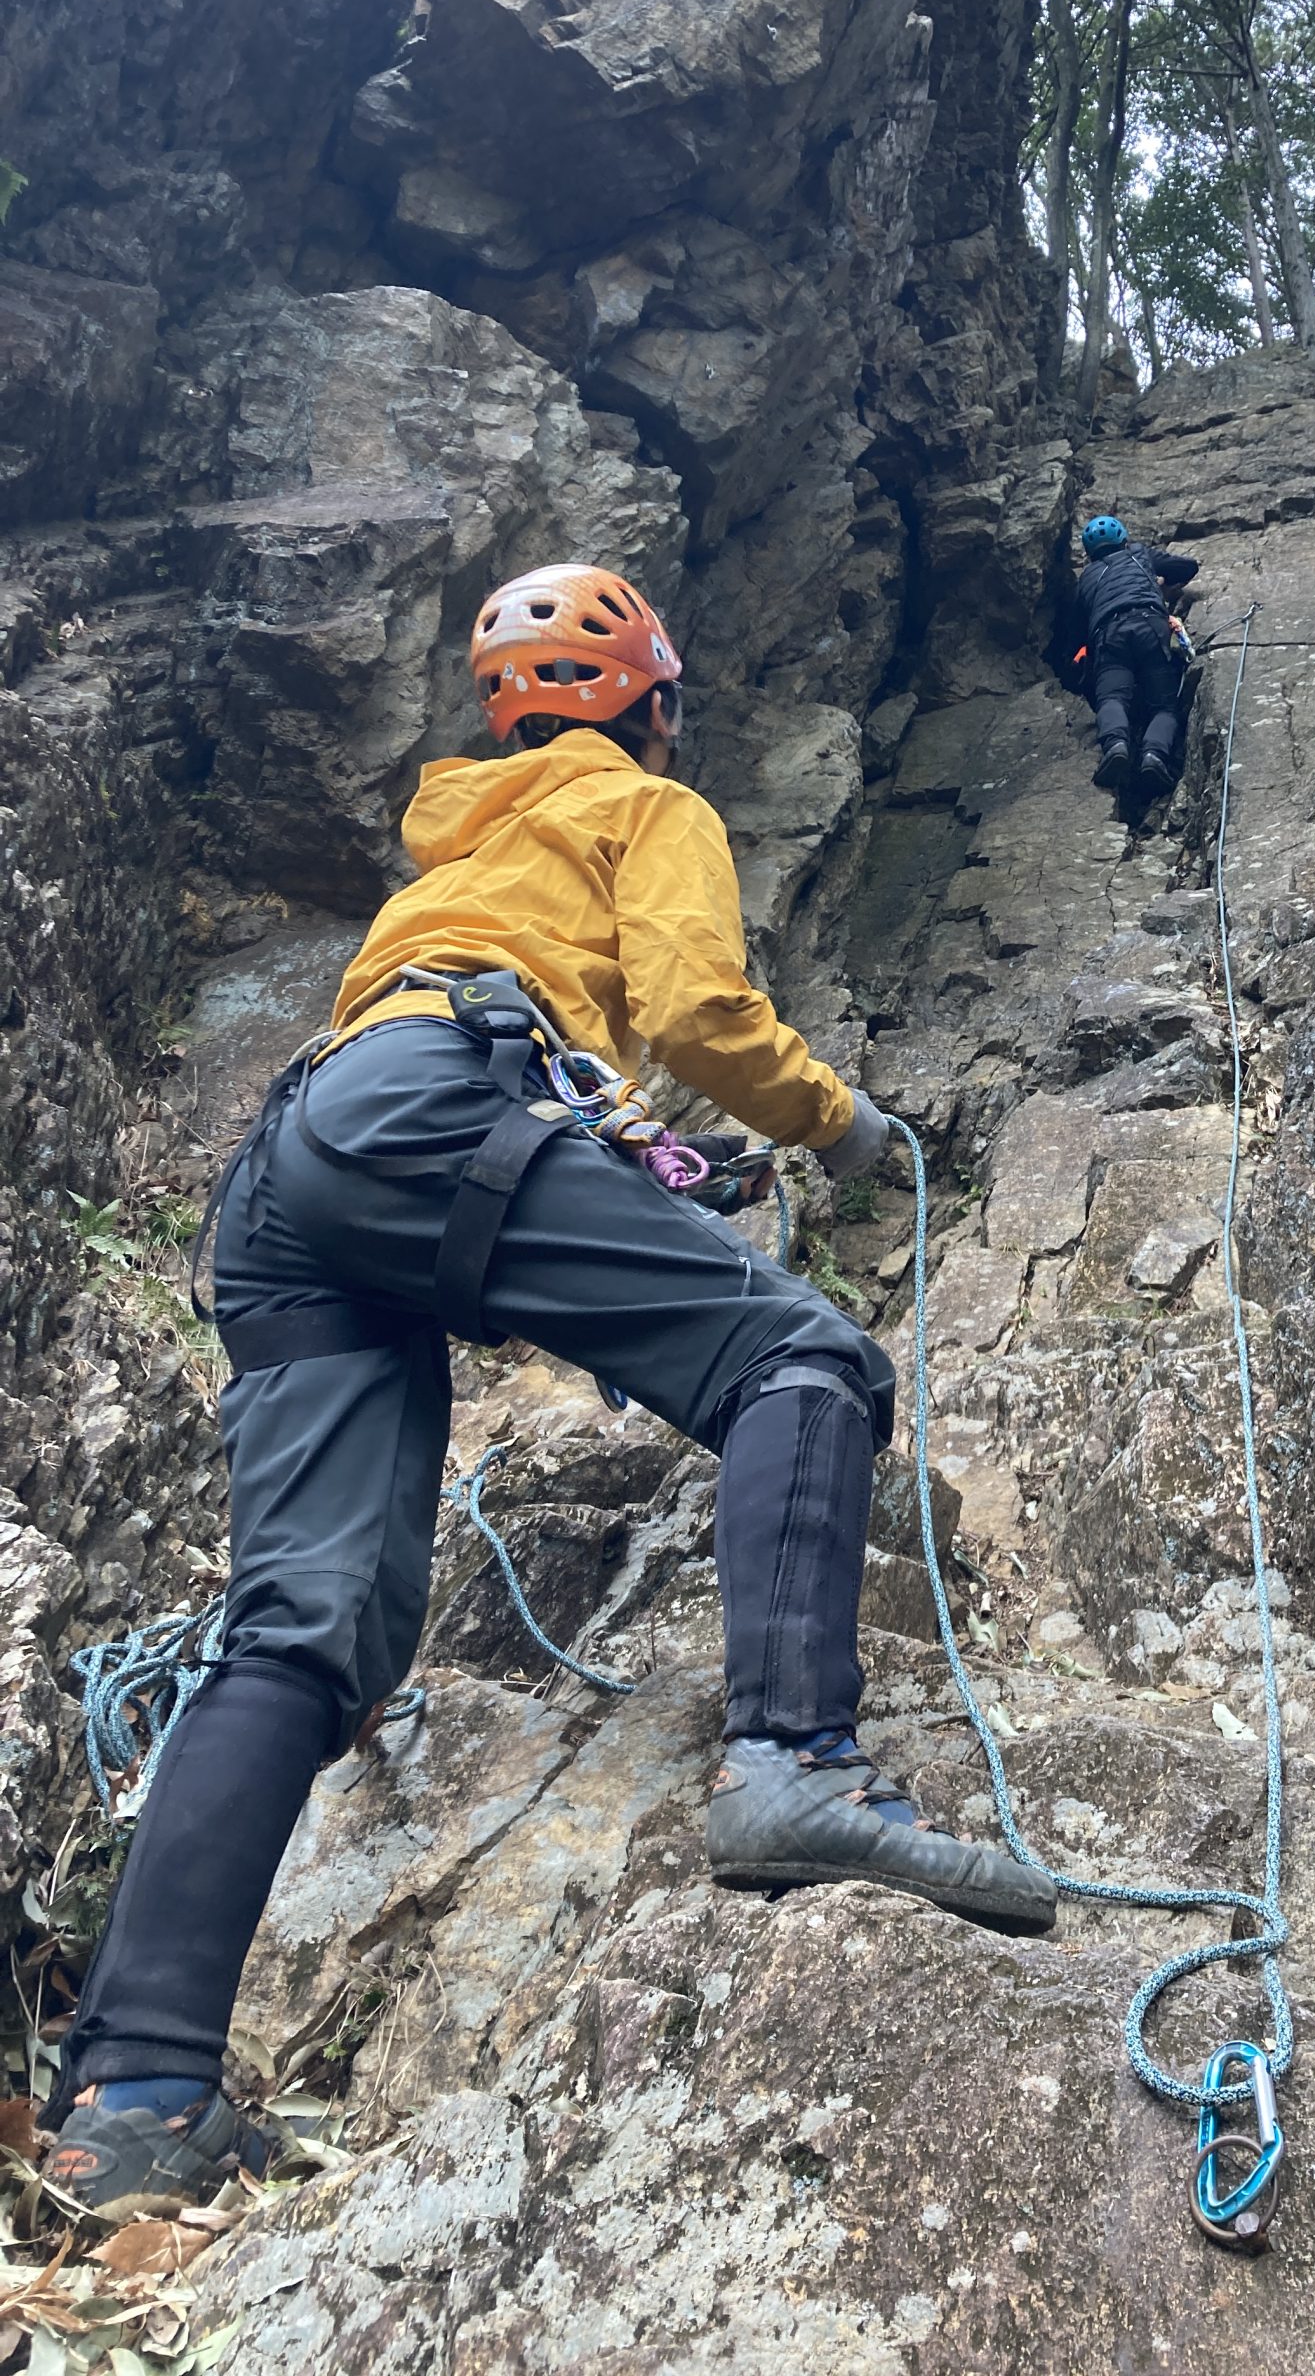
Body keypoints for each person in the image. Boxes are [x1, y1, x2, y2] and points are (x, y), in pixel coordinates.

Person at [43, 562, 1054, 2219]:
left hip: (302, 1172)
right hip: (442, 1116)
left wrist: (673, 1169)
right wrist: (839, 1125)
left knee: (306, 1632)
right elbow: (698, 1010)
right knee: (808, 1357)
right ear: (650, 702)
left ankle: (134, 2102)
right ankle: (793, 1760)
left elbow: (497, 1077)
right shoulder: (641, 805)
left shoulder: (472, 849)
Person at [1071, 515, 1200, 796]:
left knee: (1112, 697)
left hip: (1108, 633)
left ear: (1089, 552)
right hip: (1149, 624)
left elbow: (1079, 628)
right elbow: (1187, 567)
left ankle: (1116, 746)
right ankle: (1154, 756)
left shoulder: (1086, 579)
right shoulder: (1138, 554)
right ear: (1122, 538)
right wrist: (1160, 583)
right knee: (1164, 705)